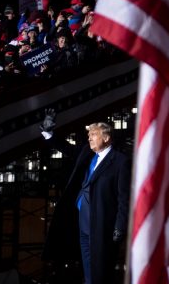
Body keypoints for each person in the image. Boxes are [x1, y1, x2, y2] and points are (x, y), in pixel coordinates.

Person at [40, 109, 130, 284]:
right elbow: (64, 147)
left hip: (103, 223)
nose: (89, 137)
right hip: (82, 221)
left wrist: (120, 225)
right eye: (89, 134)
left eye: (94, 134)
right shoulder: (87, 153)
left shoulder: (120, 161)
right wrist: (47, 131)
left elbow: (123, 198)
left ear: (106, 137)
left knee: (101, 270)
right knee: (87, 268)